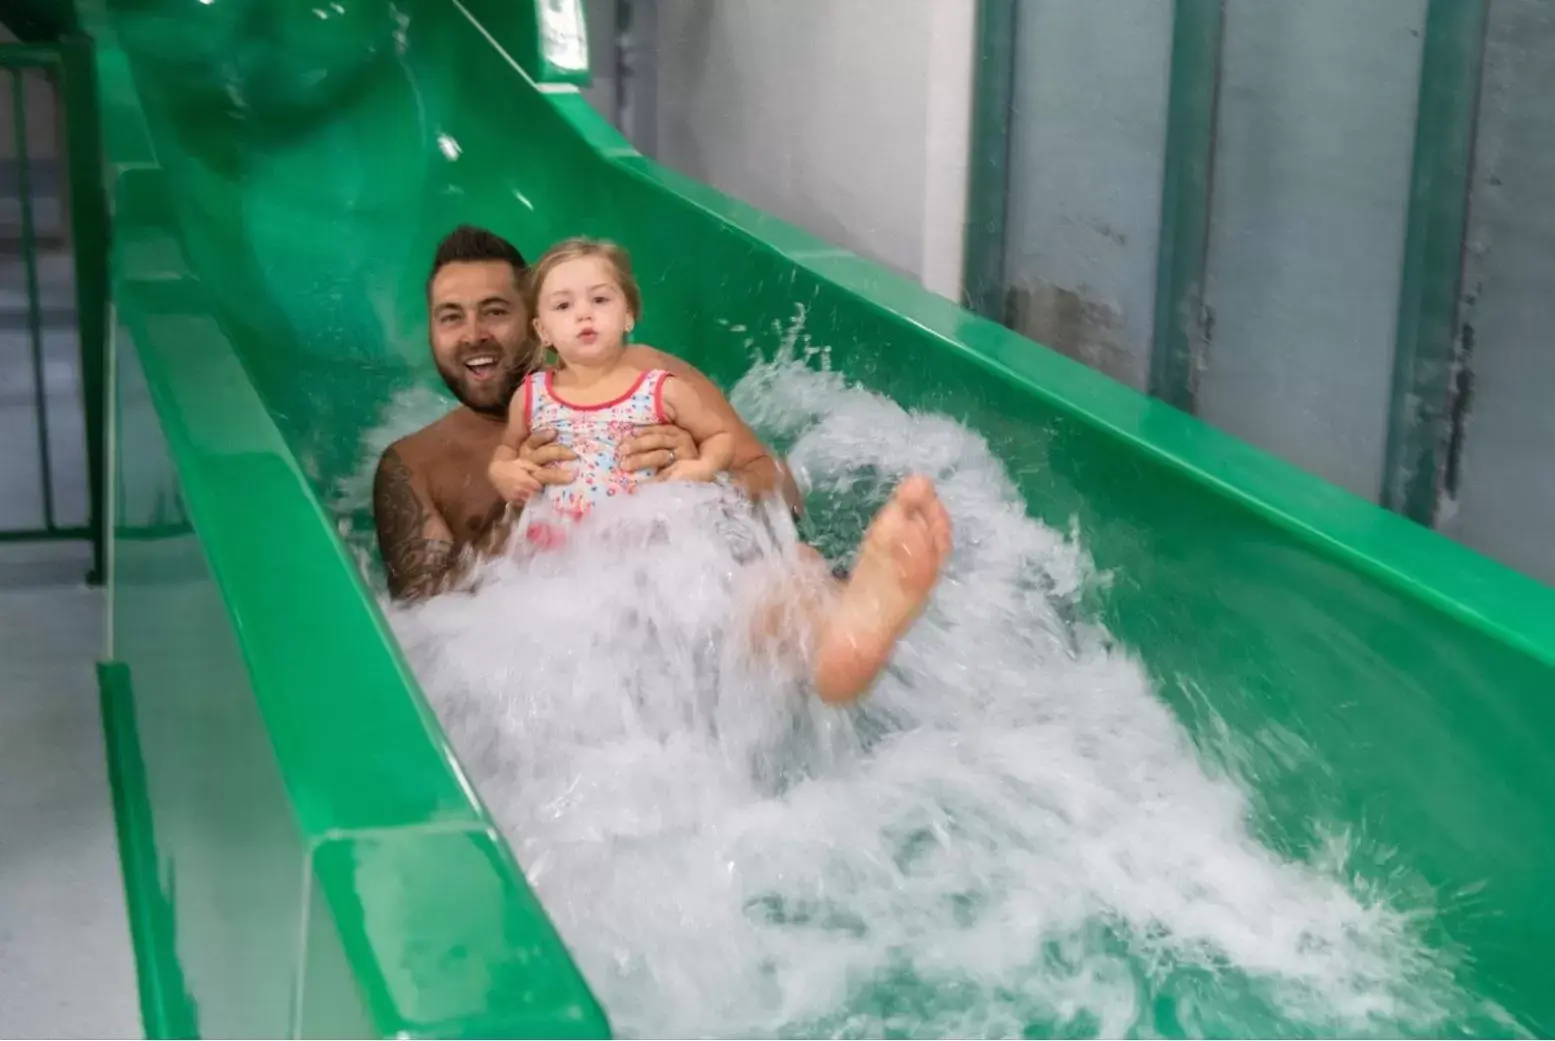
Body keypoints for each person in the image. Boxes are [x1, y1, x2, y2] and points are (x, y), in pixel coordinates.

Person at [485, 235, 953, 703]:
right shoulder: (528, 403)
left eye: (599, 299)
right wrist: (505, 474)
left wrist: (701, 467)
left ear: (627, 313)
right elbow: (504, 457)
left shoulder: (656, 384)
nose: (477, 336)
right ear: (541, 328)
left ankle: (845, 637)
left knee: (778, 573)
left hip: (659, 552)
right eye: (563, 305)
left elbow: (762, 472)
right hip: (577, 578)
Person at [372, 224, 799, 602]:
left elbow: (783, 489)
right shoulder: (414, 465)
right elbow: (422, 626)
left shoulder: (652, 377)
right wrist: (526, 519)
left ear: (533, 320)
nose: (473, 335)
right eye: (450, 318)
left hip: (681, 599)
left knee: (799, 574)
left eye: (495, 311)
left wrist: (695, 482)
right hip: (556, 650)